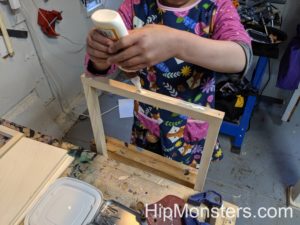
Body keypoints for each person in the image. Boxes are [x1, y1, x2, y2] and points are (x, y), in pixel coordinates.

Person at [85, 0, 252, 167]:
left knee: (181, 179)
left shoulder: (216, 6)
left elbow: (241, 56)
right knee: (144, 171)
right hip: (147, 119)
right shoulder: (135, 5)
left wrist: (177, 44)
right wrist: (101, 54)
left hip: (188, 128)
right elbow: (106, 63)